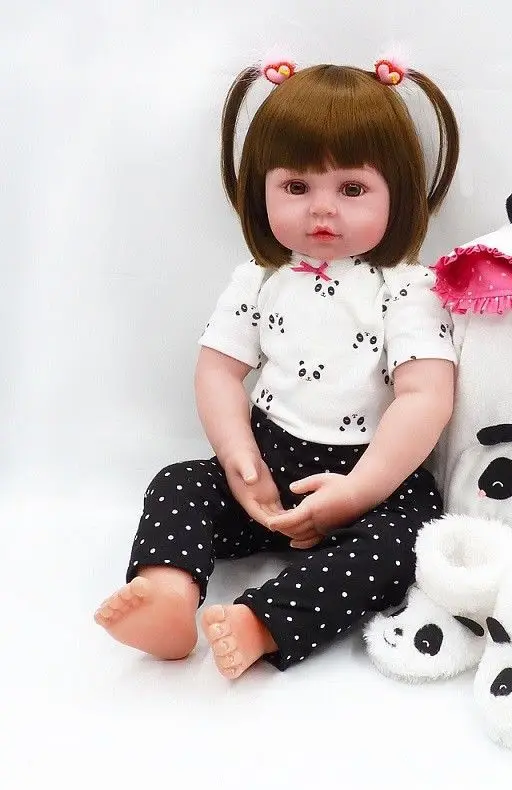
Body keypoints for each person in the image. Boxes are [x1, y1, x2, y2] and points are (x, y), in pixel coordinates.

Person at [93, 55, 460, 679]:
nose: (323, 211)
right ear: (258, 189)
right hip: (266, 469)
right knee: (178, 483)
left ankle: (262, 622)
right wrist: (240, 460)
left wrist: (358, 491)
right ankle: (168, 592)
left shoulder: (406, 287)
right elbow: (217, 370)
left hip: (373, 479)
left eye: (351, 189)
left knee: (406, 546)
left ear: (397, 194)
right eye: (296, 187)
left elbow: (426, 395)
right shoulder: (260, 279)